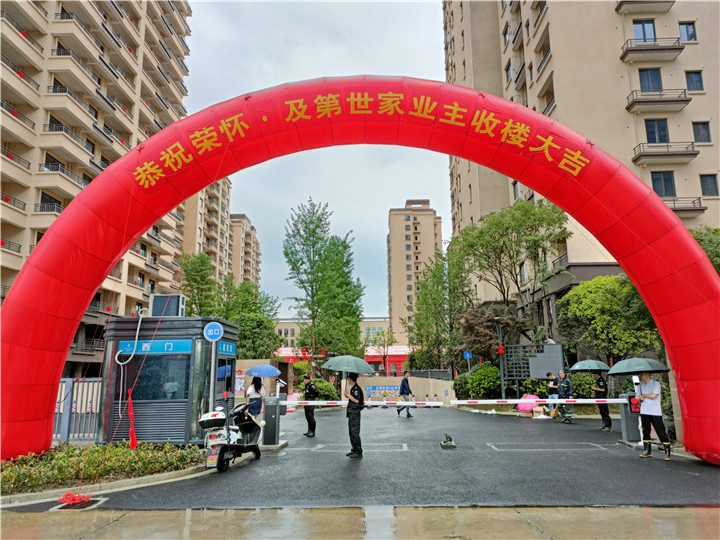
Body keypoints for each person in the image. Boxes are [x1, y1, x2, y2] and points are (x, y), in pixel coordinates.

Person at [637, 371, 671, 461]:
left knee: (660, 431)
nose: (641, 376)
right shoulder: (640, 385)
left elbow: (654, 395)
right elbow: (637, 396)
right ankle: (647, 450)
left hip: (655, 411)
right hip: (644, 411)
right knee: (646, 431)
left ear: (648, 374)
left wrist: (644, 395)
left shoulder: (656, 384)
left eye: (642, 374)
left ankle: (667, 451)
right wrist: (639, 397)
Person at [343, 372, 364, 458]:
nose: (348, 380)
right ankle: (354, 449)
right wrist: (347, 395)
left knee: (354, 432)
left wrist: (348, 395)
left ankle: (358, 451)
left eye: (349, 378)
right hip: (352, 412)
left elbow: (356, 400)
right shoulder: (353, 388)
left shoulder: (356, 389)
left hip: (355, 413)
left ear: (351, 379)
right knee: (351, 432)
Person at [302, 373, 319, 437]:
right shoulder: (307, 385)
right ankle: (309, 430)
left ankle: (313, 431)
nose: (303, 381)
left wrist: (312, 397)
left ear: (307, 380)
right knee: (307, 417)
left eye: (304, 379)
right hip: (307, 403)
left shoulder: (311, 385)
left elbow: (317, 392)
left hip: (310, 403)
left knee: (311, 417)